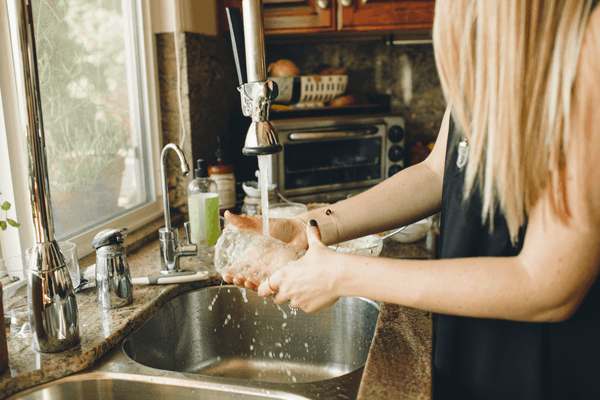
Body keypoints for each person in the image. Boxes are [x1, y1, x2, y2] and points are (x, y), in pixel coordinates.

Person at [223, 0, 600, 398]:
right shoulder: (495, 43)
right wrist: (305, 226)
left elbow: (546, 286)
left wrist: (341, 275)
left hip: (549, 370)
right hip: (473, 348)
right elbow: (438, 171)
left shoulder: (589, 41)